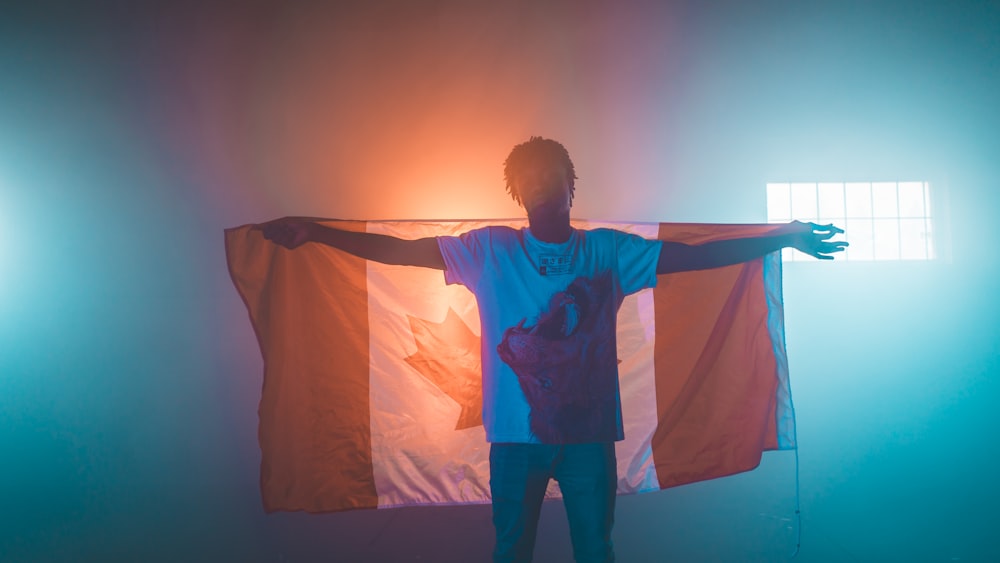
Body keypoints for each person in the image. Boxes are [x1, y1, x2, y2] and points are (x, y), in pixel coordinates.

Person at [258, 136, 846, 562]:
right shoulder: (489, 251)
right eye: (530, 178)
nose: (543, 185)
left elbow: (692, 255)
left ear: (572, 184)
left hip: (589, 436)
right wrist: (315, 231)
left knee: (596, 549)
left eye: (552, 174)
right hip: (516, 438)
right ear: (518, 192)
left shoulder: (609, 253)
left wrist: (784, 238)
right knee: (512, 551)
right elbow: (396, 252)